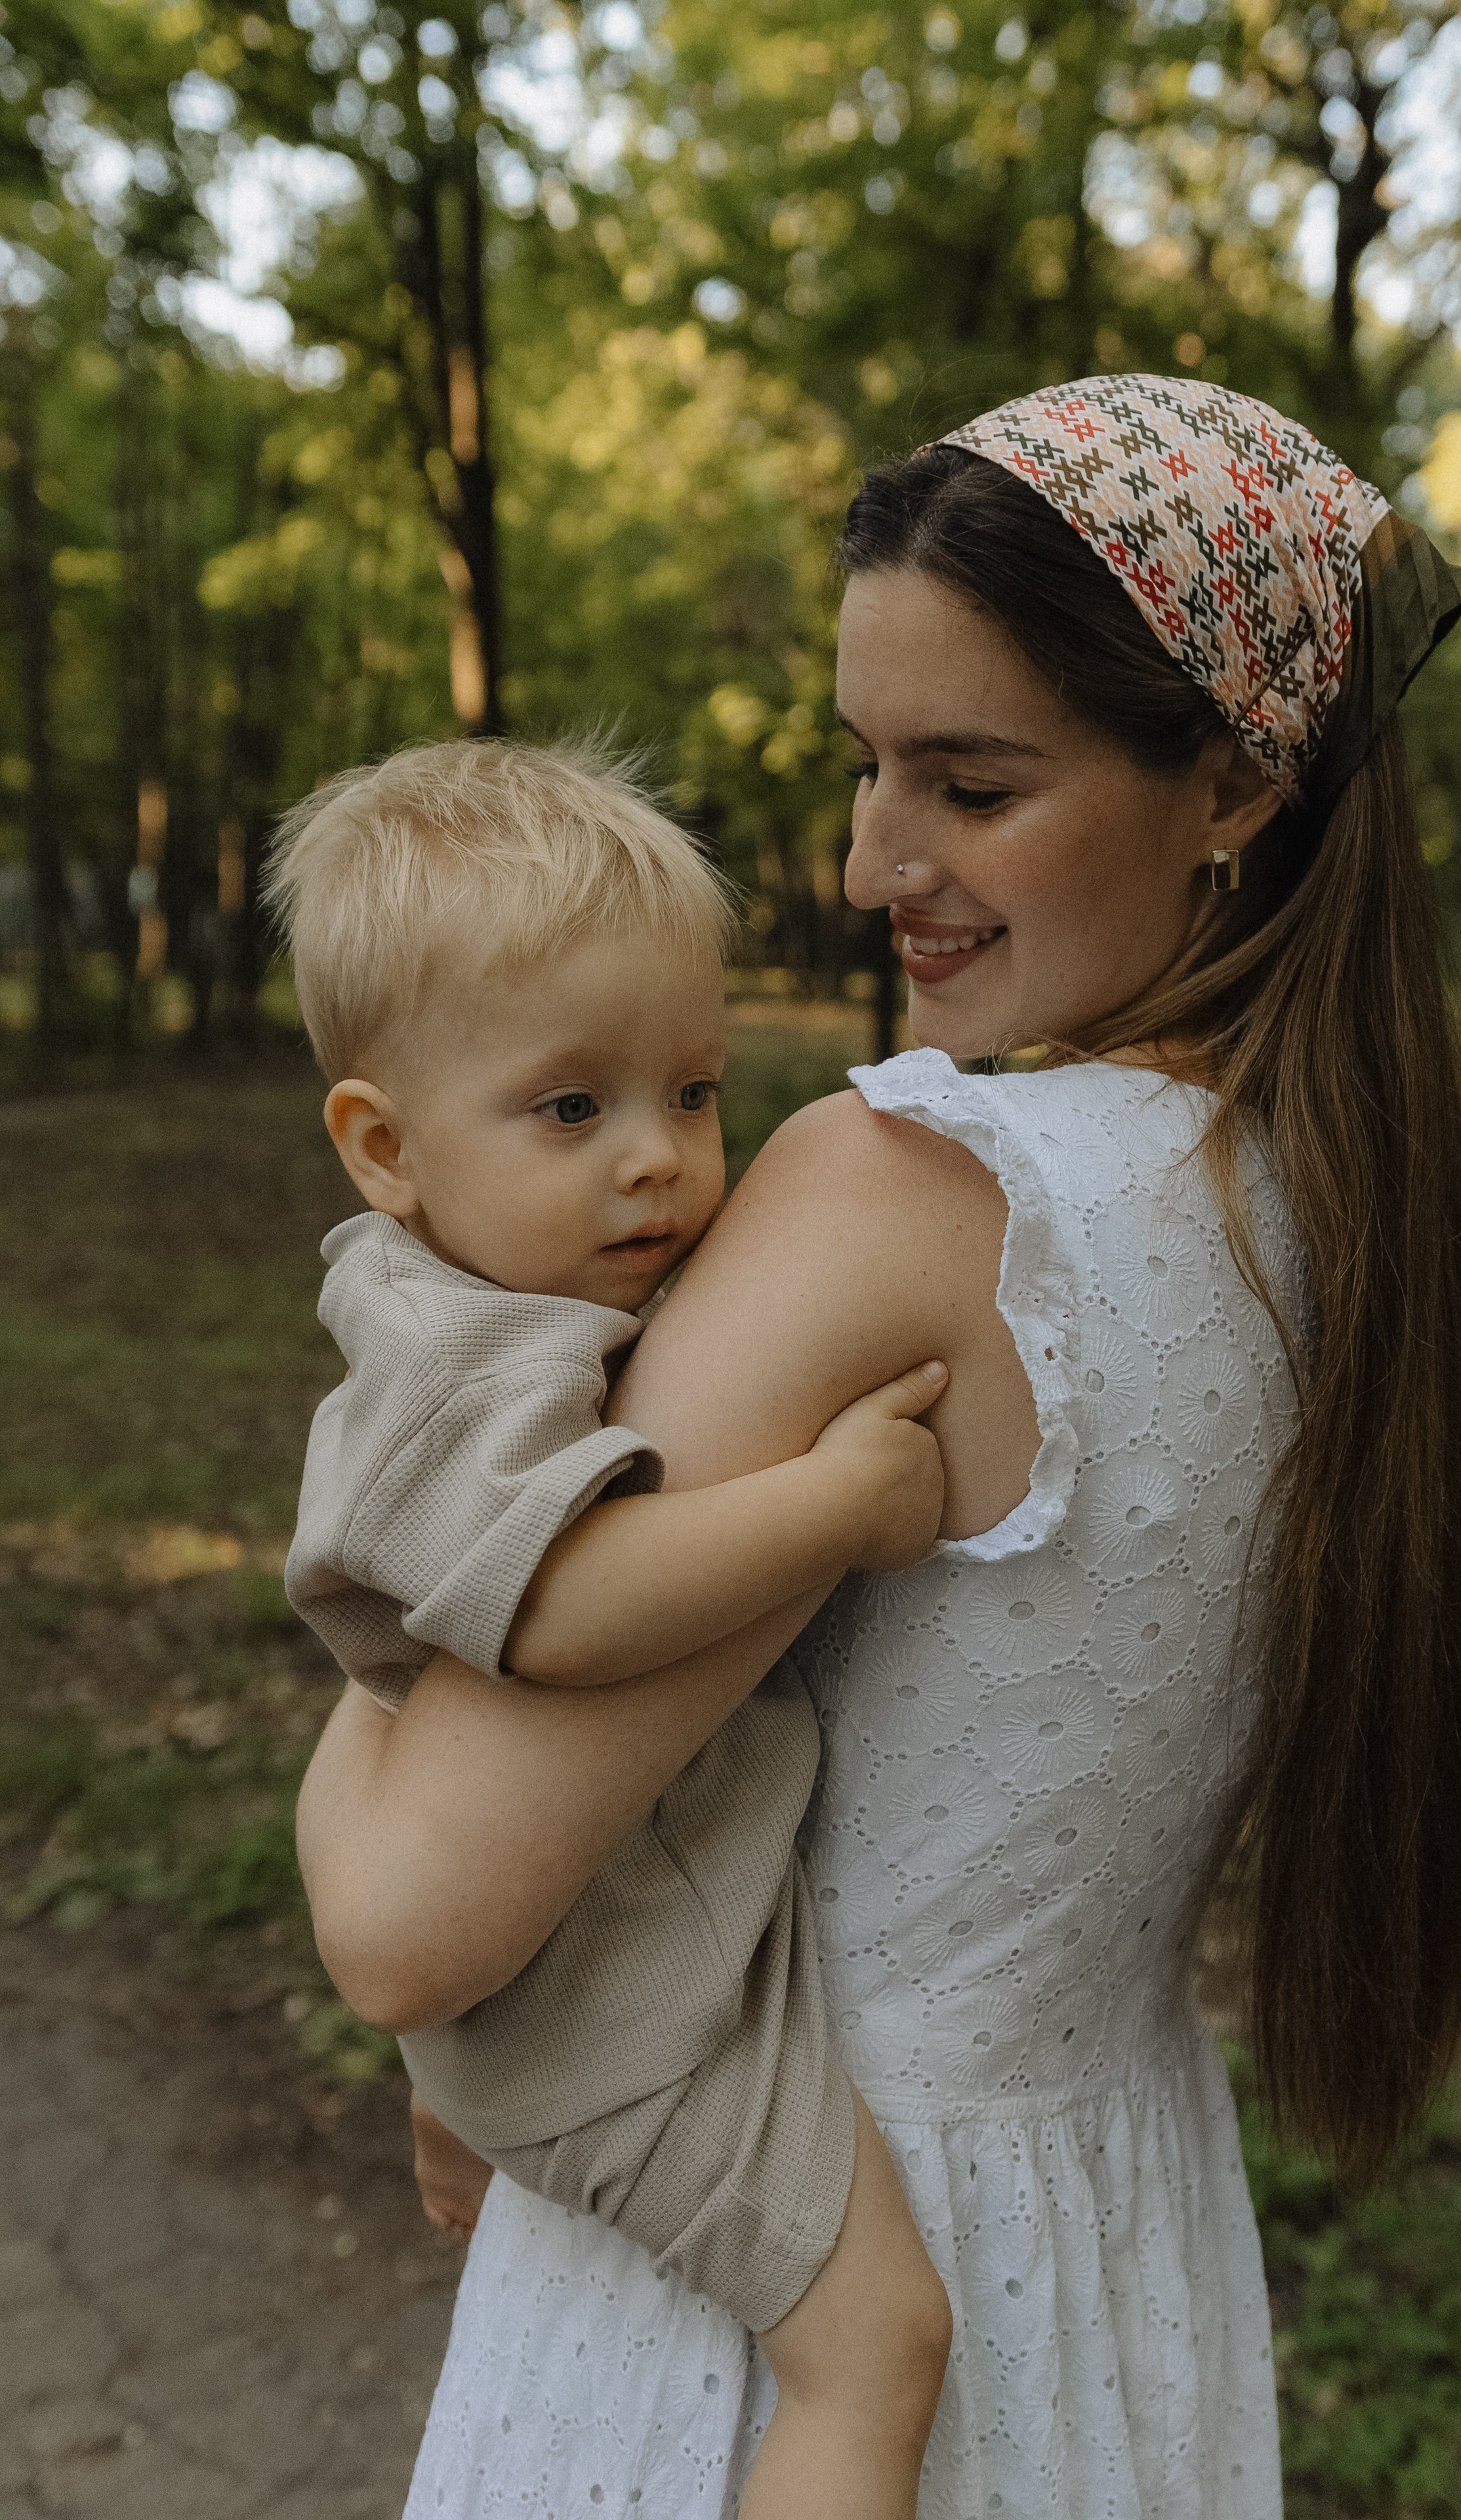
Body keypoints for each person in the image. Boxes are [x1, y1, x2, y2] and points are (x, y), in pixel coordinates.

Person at [297, 376, 1461, 2518]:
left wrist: (354, 1686)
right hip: (1108, 2229)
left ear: (1237, 776)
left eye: (972, 783)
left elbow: (417, 1924)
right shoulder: (1343, 1215)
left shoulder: (905, 1192)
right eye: (871, 768)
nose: (879, 863)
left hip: (766, 2255)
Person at [270, 738, 956, 2520]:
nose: (659, 1162)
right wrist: (837, 1505)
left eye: (696, 1093)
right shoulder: (456, 1364)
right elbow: (562, 1618)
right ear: (385, 1149)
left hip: (591, 1926)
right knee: (876, 2348)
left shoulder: (516, 1307)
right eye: (572, 1111)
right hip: (608, 1989)